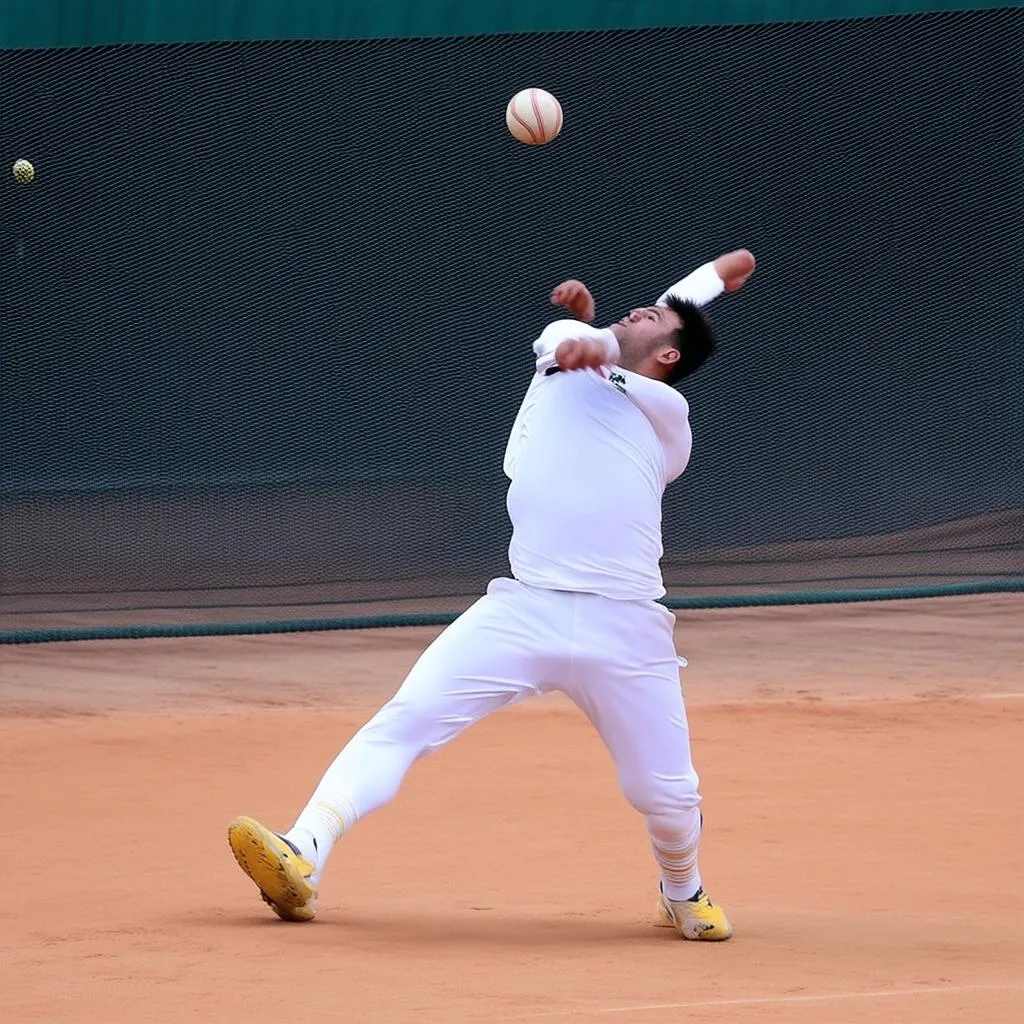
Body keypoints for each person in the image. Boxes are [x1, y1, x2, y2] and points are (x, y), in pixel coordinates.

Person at [228, 247, 757, 940]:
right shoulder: (555, 356)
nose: (636, 309)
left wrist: (647, 313)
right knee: (406, 719)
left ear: (665, 357)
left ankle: (681, 890)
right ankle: (304, 850)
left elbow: (621, 343)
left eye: (650, 315)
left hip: (625, 626)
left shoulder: (666, 412)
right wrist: (701, 284)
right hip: (523, 608)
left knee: (665, 795)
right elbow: (610, 335)